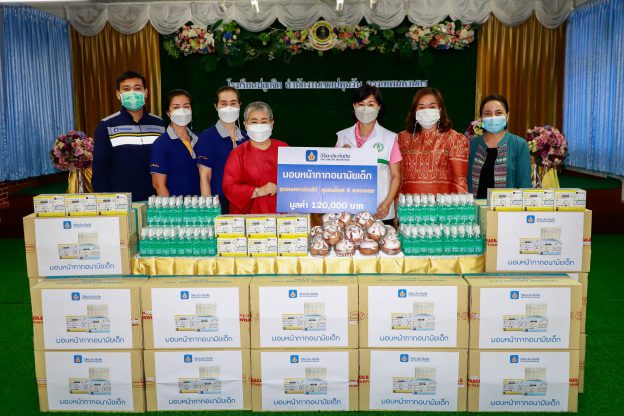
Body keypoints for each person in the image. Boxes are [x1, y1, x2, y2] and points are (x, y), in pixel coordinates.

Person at [92, 71, 165, 201]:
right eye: (126, 89)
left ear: (145, 93)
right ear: (118, 94)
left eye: (137, 88)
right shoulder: (107, 125)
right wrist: (106, 201)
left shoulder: (159, 124)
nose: (132, 93)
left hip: (155, 199)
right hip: (120, 201)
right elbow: (100, 170)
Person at [335, 84, 402, 223]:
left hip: (379, 210)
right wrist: (340, 157)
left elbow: (396, 176)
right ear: (354, 106)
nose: (365, 109)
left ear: (379, 107)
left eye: (371, 104)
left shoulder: (390, 138)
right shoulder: (342, 137)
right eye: (361, 104)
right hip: (349, 210)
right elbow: (334, 173)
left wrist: (387, 203)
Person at [398, 87, 469, 195]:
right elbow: (398, 177)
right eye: (421, 107)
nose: (426, 111)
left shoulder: (454, 139)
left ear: (440, 109)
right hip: (408, 203)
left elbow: (460, 181)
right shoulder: (402, 138)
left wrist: (461, 204)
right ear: (415, 111)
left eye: (432, 107)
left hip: (442, 204)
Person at [222, 101, 288, 214]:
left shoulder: (284, 149)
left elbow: (297, 180)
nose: (259, 125)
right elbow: (229, 187)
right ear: (245, 125)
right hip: (249, 218)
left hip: (282, 217)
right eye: (254, 121)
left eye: (264, 121)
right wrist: (259, 191)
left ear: (272, 124)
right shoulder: (238, 154)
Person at [468, 94, 532, 198]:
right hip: (476, 206)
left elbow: (524, 186)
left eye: (498, 113)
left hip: (508, 208)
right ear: (481, 118)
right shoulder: (472, 145)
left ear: (507, 116)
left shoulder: (519, 145)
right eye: (487, 114)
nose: (493, 117)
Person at [196, 86, 248, 213]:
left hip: (244, 200)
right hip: (219, 201)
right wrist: (208, 210)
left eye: (233, 103)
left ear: (239, 105)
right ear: (216, 106)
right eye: (224, 103)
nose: (229, 107)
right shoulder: (207, 136)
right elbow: (205, 176)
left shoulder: (246, 137)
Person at [150, 89, 200, 196]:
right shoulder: (161, 144)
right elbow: (158, 185)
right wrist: (170, 206)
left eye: (186, 106)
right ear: (168, 113)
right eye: (176, 107)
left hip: (201, 203)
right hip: (176, 204)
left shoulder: (199, 139)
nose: (182, 111)